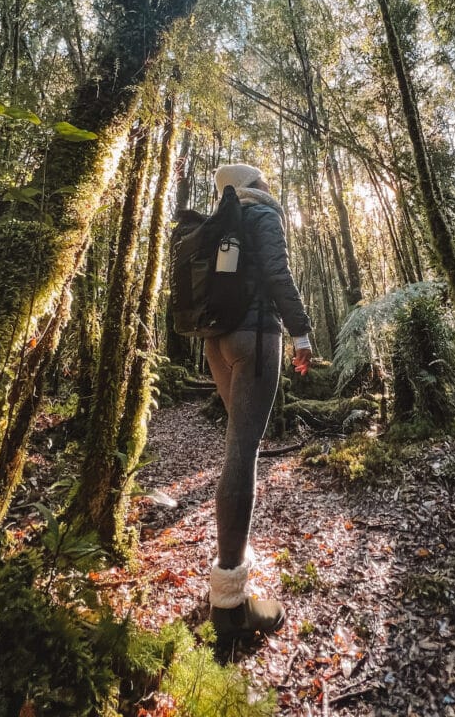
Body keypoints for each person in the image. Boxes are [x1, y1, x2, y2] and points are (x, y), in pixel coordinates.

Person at [206, 163, 312, 643]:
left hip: (216, 342)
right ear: (254, 187)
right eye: (262, 183)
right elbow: (276, 270)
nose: (268, 189)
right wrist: (302, 330)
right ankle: (229, 606)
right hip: (255, 338)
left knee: (236, 448)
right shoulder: (261, 213)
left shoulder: (220, 220)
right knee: (242, 454)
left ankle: (231, 573)